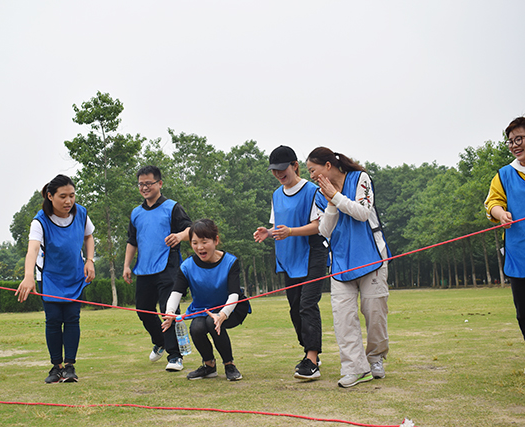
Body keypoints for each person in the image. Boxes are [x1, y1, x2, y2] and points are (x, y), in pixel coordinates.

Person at [306, 147, 391, 388]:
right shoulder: (319, 194)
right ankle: (354, 368)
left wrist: (337, 195)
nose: (311, 175)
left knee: (374, 314)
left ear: (328, 166)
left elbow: (363, 213)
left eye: (313, 169)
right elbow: (323, 229)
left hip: (371, 258)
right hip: (340, 264)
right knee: (343, 319)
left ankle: (375, 358)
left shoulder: (360, 179)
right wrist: (331, 200)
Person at [253, 145, 328, 381]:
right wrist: (268, 232)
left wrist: (292, 231)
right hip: (288, 257)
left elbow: (320, 225)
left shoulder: (313, 191)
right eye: (273, 170)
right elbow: (279, 226)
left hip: (312, 255)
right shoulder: (276, 195)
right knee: (295, 308)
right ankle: (308, 351)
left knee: (307, 304)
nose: (278, 174)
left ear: (294, 166)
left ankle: (312, 359)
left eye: (282, 169)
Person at [15, 174, 95, 383]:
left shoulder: (81, 214)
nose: (68, 201)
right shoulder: (40, 221)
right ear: (50, 196)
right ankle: (56, 367)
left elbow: (88, 236)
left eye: (72, 196)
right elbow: (32, 250)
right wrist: (28, 276)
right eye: (63, 196)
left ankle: (70, 367)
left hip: (75, 277)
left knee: (72, 320)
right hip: (49, 278)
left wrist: (90, 260)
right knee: (53, 321)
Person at [161, 219, 250, 381]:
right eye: (195, 243)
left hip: (232, 309)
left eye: (204, 242)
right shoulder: (187, 267)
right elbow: (176, 292)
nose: (199, 247)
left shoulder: (231, 262)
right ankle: (209, 366)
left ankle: (229, 365)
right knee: (196, 327)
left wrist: (222, 315)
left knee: (212, 323)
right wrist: (170, 313)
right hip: (203, 309)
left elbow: (234, 294)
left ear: (215, 240)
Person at [123, 165, 192, 372]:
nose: (144, 188)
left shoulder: (172, 207)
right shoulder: (136, 213)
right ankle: (160, 341)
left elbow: (191, 230)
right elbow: (132, 241)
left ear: (159, 184)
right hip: (144, 269)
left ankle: (175, 356)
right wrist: (127, 265)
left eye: (149, 183)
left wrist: (180, 236)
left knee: (168, 311)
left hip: (168, 267)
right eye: (141, 184)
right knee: (143, 311)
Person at [484, 116, 525, 341]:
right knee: (523, 314)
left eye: (519, 139)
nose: (514, 145)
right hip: (519, 256)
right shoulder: (504, 174)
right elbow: (492, 203)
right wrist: (501, 214)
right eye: (510, 141)